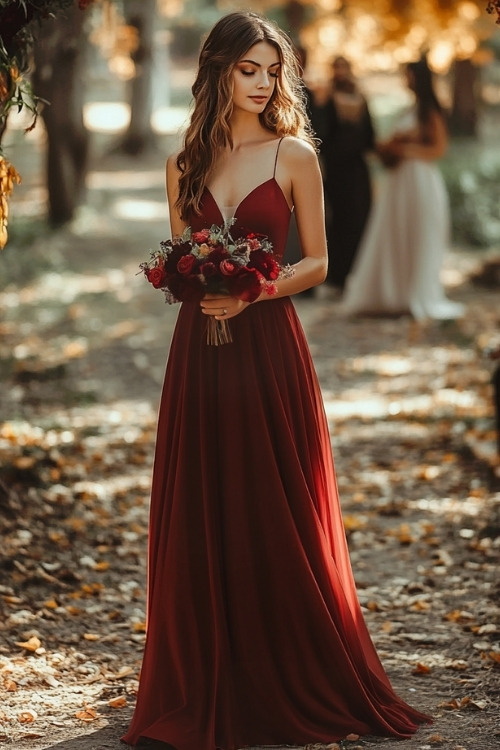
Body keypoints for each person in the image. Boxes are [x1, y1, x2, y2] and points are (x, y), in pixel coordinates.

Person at [122, 12, 430, 749]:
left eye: (270, 71)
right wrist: (189, 280)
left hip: (269, 345)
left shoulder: (294, 155)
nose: (262, 84)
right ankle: (210, 675)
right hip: (199, 349)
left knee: (273, 502)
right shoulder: (184, 162)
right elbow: (179, 255)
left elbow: (318, 262)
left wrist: (255, 290)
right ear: (219, 71)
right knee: (206, 502)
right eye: (247, 69)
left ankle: (281, 668)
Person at [342, 58, 465, 320]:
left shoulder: (430, 111)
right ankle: (395, 291)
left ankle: (417, 293)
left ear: (418, 78)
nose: (405, 80)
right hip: (400, 182)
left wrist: (406, 149)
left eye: (408, 76)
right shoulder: (411, 109)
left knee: (418, 234)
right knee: (397, 233)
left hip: (420, 180)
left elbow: (438, 149)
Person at [316, 56, 375, 290]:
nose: (340, 72)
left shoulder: (361, 97)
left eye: (344, 67)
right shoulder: (327, 98)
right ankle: (338, 274)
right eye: (336, 67)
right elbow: (323, 134)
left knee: (359, 218)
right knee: (338, 220)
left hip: (357, 169)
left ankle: (357, 271)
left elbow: (369, 135)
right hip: (337, 169)